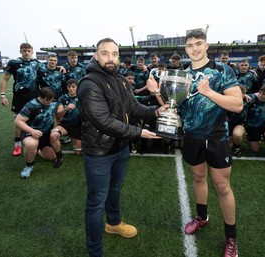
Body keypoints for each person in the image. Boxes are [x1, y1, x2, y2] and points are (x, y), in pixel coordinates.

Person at [148, 30, 243, 257]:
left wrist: (210, 92)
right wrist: (156, 93)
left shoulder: (221, 70)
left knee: (222, 187)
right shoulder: (182, 74)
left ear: (207, 45)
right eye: (190, 45)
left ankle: (231, 239)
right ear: (186, 49)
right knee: (198, 178)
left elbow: (237, 104)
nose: (194, 48)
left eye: (198, 43)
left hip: (217, 136)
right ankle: (202, 217)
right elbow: (175, 108)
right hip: (191, 136)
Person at [77, 37, 168, 257]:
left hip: (120, 148)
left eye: (115, 53)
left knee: (115, 189)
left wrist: (156, 112)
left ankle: (114, 223)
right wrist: (139, 132)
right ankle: (95, 252)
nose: (110, 58)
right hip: (99, 152)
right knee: (96, 202)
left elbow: (134, 107)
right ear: (96, 56)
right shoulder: (89, 84)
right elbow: (104, 121)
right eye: (105, 53)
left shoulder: (120, 79)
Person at [0, 43, 45, 156]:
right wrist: (2, 95)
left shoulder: (37, 64)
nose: (26, 52)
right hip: (19, 97)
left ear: (32, 51)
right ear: (20, 51)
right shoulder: (13, 63)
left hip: (34, 96)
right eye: (24, 50)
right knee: (17, 121)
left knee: (36, 119)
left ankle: (36, 140)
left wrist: (60, 67)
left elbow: (49, 68)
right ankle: (17, 146)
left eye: (28, 50)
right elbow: (5, 79)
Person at [14, 87, 58, 178]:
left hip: (45, 135)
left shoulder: (53, 101)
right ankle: (29, 166)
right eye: (47, 100)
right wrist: (32, 131)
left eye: (51, 99)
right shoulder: (31, 105)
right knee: (31, 144)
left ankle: (36, 151)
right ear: (40, 97)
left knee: (51, 157)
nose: (49, 102)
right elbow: (18, 121)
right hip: (31, 133)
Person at [49, 79, 82, 168]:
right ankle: (59, 157)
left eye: (73, 87)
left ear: (77, 87)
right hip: (66, 125)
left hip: (78, 126)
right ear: (67, 88)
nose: (71, 89)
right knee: (53, 135)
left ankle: (75, 143)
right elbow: (59, 115)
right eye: (69, 87)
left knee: (78, 152)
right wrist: (66, 108)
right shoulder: (63, 98)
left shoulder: (82, 97)